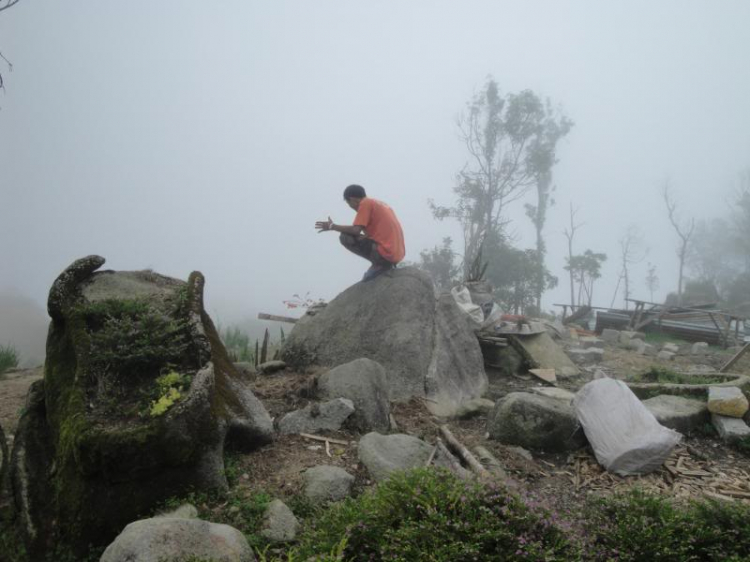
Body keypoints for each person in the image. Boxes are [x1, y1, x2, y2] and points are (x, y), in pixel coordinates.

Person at [315, 184, 405, 281]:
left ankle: (379, 264)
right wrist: (368, 236)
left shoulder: (365, 203)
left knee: (346, 237)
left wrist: (332, 226)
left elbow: (356, 230)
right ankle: (381, 263)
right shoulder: (380, 204)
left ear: (353, 199)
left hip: (387, 253)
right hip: (397, 254)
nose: (351, 207)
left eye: (348, 203)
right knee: (360, 237)